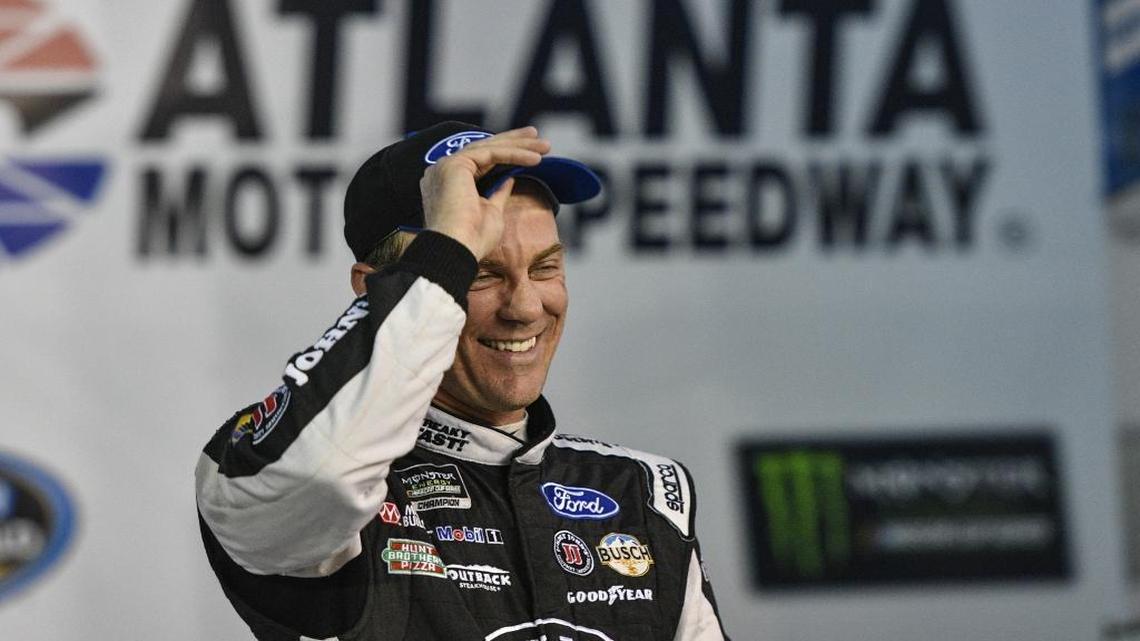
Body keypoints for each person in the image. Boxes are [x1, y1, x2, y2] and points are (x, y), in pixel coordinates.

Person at [195, 121, 729, 641]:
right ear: (373, 291)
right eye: (480, 273)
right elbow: (321, 474)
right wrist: (445, 250)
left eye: (545, 268)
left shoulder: (644, 491)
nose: (524, 307)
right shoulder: (277, 479)